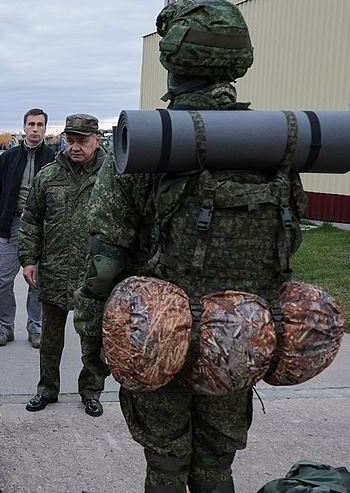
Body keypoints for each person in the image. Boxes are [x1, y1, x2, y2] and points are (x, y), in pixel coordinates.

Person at [82, 1, 305, 491]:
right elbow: (288, 241)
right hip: (241, 336)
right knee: (217, 463)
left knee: (165, 462)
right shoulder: (277, 145)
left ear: (171, 57)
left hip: (158, 336)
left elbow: (105, 257)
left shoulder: (149, 142)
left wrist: (92, 337)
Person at [19, 114, 110, 416]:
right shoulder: (48, 176)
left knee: (93, 338)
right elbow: (31, 220)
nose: (75, 146)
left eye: (82, 140)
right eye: (70, 140)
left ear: (97, 140)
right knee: (50, 337)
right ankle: (47, 388)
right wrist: (28, 259)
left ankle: (91, 390)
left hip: (95, 272)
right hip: (55, 268)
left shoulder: (112, 176)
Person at [0, 108, 54, 349]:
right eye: (31, 124)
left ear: (46, 128)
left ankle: (35, 327)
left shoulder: (54, 159)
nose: (35, 129)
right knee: (3, 280)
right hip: (11, 224)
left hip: (41, 228)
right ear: (24, 127)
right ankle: (6, 326)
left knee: (36, 280)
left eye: (40, 125)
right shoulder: (9, 158)